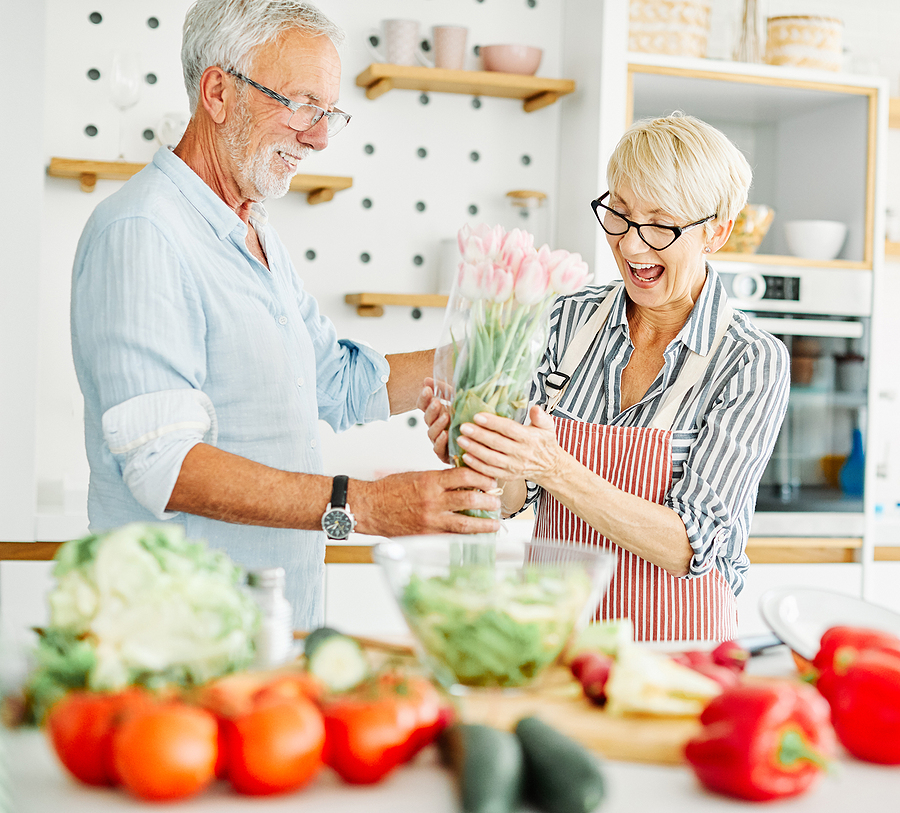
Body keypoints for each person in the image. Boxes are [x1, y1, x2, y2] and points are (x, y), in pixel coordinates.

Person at [70, 0, 500, 629]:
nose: (320, 136)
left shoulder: (256, 236)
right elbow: (165, 466)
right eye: (301, 104)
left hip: (268, 628)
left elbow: (337, 383)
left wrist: (483, 360)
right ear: (218, 92)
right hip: (176, 637)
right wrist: (369, 506)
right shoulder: (144, 232)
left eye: (329, 113)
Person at [420, 114, 790, 641]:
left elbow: (691, 545)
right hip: (553, 637)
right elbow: (514, 499)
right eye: (618, 215)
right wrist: (484, 449)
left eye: (660, 225)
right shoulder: (567, 320)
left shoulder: (750, 361)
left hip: (675, 653)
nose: (632, 247)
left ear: (717, 231)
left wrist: (553, 466)